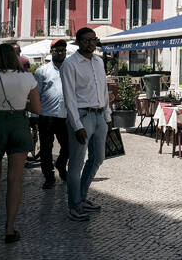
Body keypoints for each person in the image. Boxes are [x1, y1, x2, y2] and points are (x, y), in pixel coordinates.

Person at [0, 43, 41, 243]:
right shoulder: (27, 78)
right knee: (15, 179)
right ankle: (10, 228)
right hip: (19, 124)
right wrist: (21, 102)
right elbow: (37, 109)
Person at [61, 28, 111, 222]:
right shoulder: (70, 64)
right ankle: (74, 205)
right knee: (76, 163)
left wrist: (108, 114)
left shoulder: (99, 61)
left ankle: (81, 197)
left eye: (93, 40)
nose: (91, 43)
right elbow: (69, 96)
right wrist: (77, 125)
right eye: (86, 40)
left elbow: (104, 90)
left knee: (98, 157)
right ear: (78, 42)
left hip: (99, 116)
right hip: (82, 116)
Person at [34, 39, 70, 189]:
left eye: (63, 50)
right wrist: (34, 116)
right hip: (46, 115)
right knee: (46, 149)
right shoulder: (42, 71)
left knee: (68, 147)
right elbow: (36, 95)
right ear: (52, 51)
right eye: (58, 50)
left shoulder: (70, 69)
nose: (61, 52)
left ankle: (61, 165)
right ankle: (49, 177)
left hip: (65, 115)